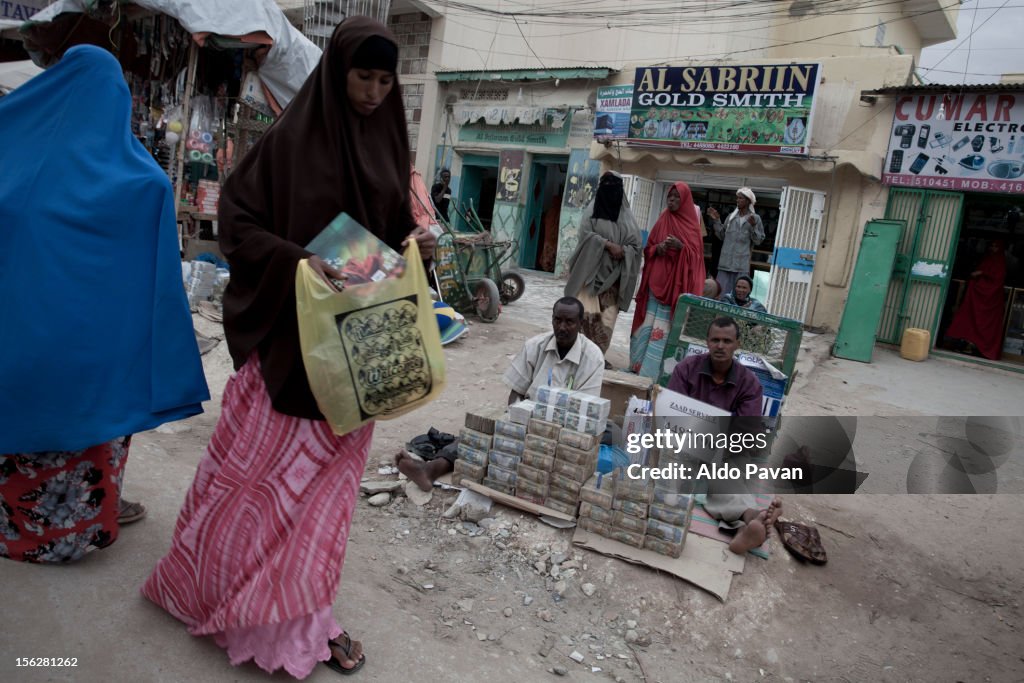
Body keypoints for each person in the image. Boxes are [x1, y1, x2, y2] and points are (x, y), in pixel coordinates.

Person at [143, 19, 435, 678]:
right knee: (265, 494)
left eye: (385, 80)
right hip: (290, 350)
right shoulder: (290, 140)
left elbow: (385, 239)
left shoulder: (389, 145)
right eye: (363, 75)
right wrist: (301, 261)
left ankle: (300, 618)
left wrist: (411, 245)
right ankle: (229, 598)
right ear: (337, 72)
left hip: (358, 357)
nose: (372, 90)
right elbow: (236, 222)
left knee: (320, 507)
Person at [0, 46, 208, 563]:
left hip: (18, 344)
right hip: (92, 354)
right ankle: (85, 520)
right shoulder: (136, 178)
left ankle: (14, 526)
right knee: (94, 421)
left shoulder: (12, 159)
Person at [396, 297, 604, 491]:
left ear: (580, 323)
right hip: (527, 421)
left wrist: (546, 433)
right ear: (551, 319)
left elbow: (585, 414)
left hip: (566, 430)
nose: (562, 327)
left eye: (569, 322)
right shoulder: (535, 346)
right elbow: (516, 393)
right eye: (557, 320)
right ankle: (430, 470)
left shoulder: (593, 358)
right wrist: (514, 422)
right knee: (480, 436)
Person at [666, 317, 780, 554]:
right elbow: (672, 413)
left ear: (737, 344)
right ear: (706, 342)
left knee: (724, 478)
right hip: (686, 444)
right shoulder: (686, 369)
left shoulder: (749, 384)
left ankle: (750, 520)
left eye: (727, 341)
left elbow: (745, 433)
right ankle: (748, 519)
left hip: (727, 451)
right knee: (671, 475)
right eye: (715, 340)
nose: (720, 346)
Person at [630, 181, 707, 378]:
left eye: (676, 198)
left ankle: (653, 373)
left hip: (674, 289)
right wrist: (658, 249)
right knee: (647, 325)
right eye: (669, 197)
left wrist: (682, 247)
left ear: (685, 201)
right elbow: (649, 248)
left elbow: (697, 261)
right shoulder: (663, 218)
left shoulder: (692, 227)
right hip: (654, 287)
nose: (671, 201)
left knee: (662, 329)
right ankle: (637, 365)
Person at [563, 172, 643, 359]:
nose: (609, 188)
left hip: (614, 280)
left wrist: (624, 251)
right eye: (605, 184)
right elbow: (585, 236)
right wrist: (607, 244)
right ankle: (578, 355)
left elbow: (636, 246)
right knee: (585, 318)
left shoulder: (627, 217)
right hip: (590, 276)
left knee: (606, 321)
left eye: (613, 185)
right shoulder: (591, 212)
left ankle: (597, 357)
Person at [944, 239, 1007, 360]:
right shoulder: (988, 259)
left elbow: (996, 281)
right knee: (969, 320)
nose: (993, 249)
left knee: (985, 325)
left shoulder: (1000, 262)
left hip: (990, 301)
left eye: (996, 246)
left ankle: (978, 348)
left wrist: (981, 274)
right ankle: (967, 344)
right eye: (992, 246)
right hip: (979, 298)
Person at [707, 187, 764, 299]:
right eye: (737, 198)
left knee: (738, 298)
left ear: (748, 201)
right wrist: (717, 220)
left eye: (741, 198)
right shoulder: (731, 217)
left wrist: (753, 227)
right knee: (720, 296)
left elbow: (758, 241)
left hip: (741, 267)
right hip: (725, 265)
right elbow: (722, 236)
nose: (737, 200)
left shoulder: (755, 219)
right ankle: (719, 317)